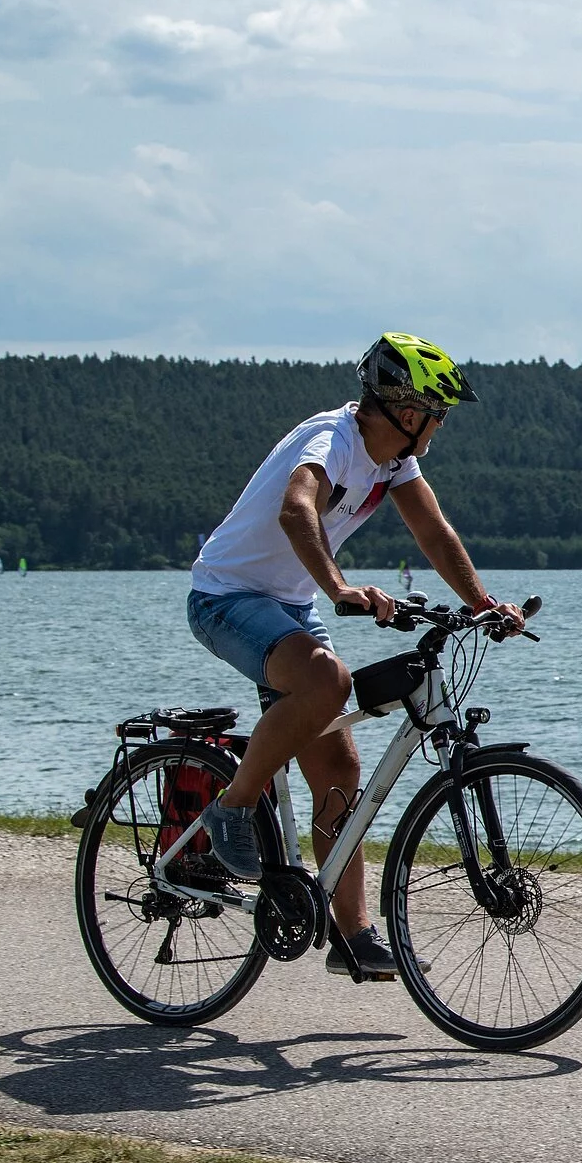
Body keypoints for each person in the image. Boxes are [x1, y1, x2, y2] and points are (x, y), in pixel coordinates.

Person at [185, 333, 523, 979]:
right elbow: (295, 510)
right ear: (403, 409)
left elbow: (432, 531)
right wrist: (338, 587)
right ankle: (231, 806)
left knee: (339, 763)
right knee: (326, 681)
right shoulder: (333, 441)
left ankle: (353, 934)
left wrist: (483, 603)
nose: (442, 424)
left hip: (286, 604)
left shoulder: (394, 462)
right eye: (437, 411)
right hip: (226, 596)